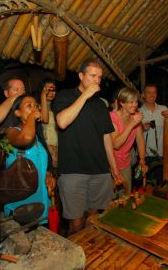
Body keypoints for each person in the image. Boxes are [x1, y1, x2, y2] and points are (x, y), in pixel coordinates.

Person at [53, 58, 122, 234]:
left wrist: (113, 167)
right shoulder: (65, 96)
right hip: (73, 170)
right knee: (76, 222)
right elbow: (62, 121)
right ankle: (74, 256)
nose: (97, 80)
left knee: (94, 218)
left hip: (100, 170)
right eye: (92, 76)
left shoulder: (101, 105)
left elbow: (106, 136)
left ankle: (91, 255)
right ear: (81, 76)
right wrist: (85, 95)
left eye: (99, 77)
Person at [3, 94, 55, 224]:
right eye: (29, 106)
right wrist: (32, 116)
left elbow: (40, 163)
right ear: (17, 113)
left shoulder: (36, 137)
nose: (34, 108)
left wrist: (48, 175)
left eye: (35, 105)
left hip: (41, 203)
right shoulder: (11, 132)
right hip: (22, 207)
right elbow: (25, 139)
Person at [109, 87, 147, 193]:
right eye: (131, 102)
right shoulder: (112, 117)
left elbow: (140, 140)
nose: (135, 105)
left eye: (136, 101)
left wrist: (142, 160)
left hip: (125, 162)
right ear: (122, 103)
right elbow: (116, 144)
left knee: (126, 194)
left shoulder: (135, 116)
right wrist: (132, 124)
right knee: (110, 198)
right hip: (110, 164)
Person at [139, 84, 168, 185]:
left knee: (162, 183)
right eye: (148, 92)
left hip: (163, 154)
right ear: (143, 95)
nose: (152, 95)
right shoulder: (138, 111)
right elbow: (132, 133)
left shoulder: (163, 109)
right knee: (147, 184)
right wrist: (142, 128)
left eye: (154, 92)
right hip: (145, 155)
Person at [40, 79, 58, 169]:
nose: (51, 92)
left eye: (53, 90)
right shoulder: (37, 107)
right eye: (48, 90)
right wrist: (43, 95)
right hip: (45, 147)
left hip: (57, 148)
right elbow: (45, 119)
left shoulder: (57, 108)